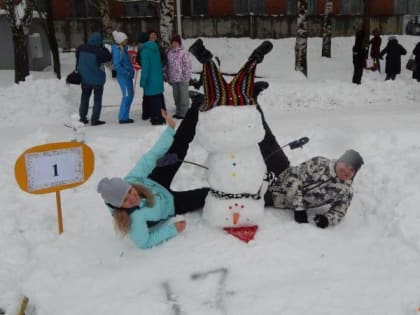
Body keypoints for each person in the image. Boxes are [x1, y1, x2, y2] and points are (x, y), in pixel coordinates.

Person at [188, 39, 364, 229]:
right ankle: (252, 97)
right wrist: (299, 208)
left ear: (354, 174)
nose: (346, 170)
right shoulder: (321, 163)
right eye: (346, 164)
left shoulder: (345, 191)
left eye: (351, 170)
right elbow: (295, 179)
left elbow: (339, 210)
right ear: (340, 159)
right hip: (283, 172)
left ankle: (246, 87)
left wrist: (327, 219)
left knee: (239, 191)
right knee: (264, 137)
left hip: (276, 198)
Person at [97, 104, 208, 249]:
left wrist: (169, 130)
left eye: (129, 191)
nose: (132, 198)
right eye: (125, 200)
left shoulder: (132, 180)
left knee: (178, 147)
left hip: (155, 183)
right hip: (171, 205)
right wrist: (172, 230)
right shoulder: (134, 219)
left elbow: (150, 157)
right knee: (206, 195)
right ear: (119, 207)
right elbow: (144, 242)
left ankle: (195, 107)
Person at [76, 32, 112, 126]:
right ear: (99, 41)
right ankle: (95, 120)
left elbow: (78, 60)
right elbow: (108, 57)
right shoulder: (99, 51)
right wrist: (103, 47)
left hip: (85, 79)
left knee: (84, 99)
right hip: (97, 80)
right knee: (97, 100)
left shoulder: (81, 48)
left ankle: (82, 118)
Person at [139, 31, 166, 125]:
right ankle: (163, 116)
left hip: (151, 80)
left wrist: (143, 81)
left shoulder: (145, 51)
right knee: (159, 98)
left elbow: (145, 68)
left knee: (154, 101)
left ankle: (157, 119)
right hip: (158, 78)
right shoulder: (156, 48)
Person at [166, 34, 192, 119]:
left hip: (183, 79)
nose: (174, 44)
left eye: (176, 42)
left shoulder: (184, 53)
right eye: (172, 42)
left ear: (179, 43)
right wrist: (168, 77)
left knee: (184, 97)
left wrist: (186, 76)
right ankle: (178, 112)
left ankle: (184, 113)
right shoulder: (169, 53)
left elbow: (187, 66)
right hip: (173, 79)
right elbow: (168, 66)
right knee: (176, 97)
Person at [111, 30, 135, 124]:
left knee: (130, 96)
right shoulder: (117, 50)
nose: (127, 40)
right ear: (120, 40)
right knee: (127, 96)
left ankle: (126, 116)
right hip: (123, 77)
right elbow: (117, 65)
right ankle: (122, 117)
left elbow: (126, 62)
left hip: (127, 76)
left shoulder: (123, 49)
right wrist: (126, 72)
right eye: (125, 39)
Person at [136, 32, 151, 120]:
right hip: (149, 72)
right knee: (149, 95)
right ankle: (147, 113)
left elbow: (138, 60)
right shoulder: (145, 48)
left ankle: (145, 113)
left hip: (146, 72)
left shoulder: (140, 48)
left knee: (146, 95)